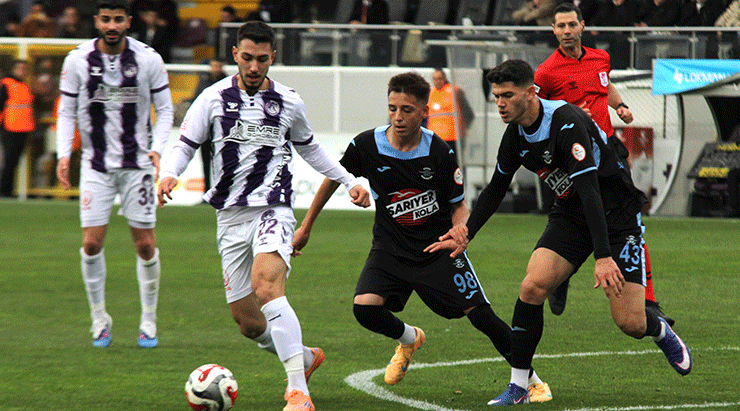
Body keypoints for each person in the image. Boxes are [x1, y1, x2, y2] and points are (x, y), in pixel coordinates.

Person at [429, 59, 693, 405]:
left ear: (530, 92)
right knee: (531, 287)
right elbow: (495, 189)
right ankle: (520, 386)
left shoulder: (565, 122)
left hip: (616, 215)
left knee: (630, 323)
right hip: (571, 214)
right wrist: (466, 232)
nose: (500, 103)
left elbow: (591, 192)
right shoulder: (515, 135)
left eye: (507, 95)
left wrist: (603, 258)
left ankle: (659, 330)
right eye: (496, 97)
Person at [292, 72, 552, 403]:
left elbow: (459, 206)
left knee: (482, 317)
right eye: (393, 108)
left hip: (436, 251)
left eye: (407, 110)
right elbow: (333, 176)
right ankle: (409, 338)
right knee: (364, 309)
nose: (398, 117)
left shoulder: (439, 152)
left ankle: (531, 380)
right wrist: (306, 227)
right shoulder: (367, 145)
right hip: (390, 250)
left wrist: (461, 232)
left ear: (424, 111)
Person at [157, 21, 370, 411]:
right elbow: (185, 143)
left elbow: (310, 147)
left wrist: (349, 180)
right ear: (235, 55)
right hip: (229, 216)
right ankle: (304, 357)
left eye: (261, 59)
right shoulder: (212, 98)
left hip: (273, 208)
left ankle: (298, 392)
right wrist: (170, 173)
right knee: (249, 323)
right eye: (247, 58)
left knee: (267, 287)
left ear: (272, 57)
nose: (254, 67)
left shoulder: (288, 101)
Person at [535, 2, 675, 326]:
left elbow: (604, 85)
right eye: (561, 26)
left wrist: (620, 105)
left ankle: (649, 301)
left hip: (608, 152)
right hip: (572, 157)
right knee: (574, 218)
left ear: (582, 26)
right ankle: (561, 275)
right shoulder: (546, 72)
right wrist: (567, 119)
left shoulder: (600, 58)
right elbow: (538, 113)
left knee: (632, 221)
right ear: (553, 30)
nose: (567, 31)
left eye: (572, 25)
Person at [55, 0, 174, 349]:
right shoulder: (77, 60)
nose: (111, 25)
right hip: (96, 166)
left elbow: (165, 110)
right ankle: (99, 319)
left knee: (146, 245)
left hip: (138, 166)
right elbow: (66, 111)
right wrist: (64, 154)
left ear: (128, 22)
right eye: (106, 19)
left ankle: (148, 320)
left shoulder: (148, 59)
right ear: (96, 21)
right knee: (91, 244)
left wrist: (158, 148)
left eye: (118, 20)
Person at [188, 58, 227, 193]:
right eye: (213, 66)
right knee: (205, 160)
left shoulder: (227, 82)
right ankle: (206, 191)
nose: (215, 69)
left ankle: (221, 191)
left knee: (222, 161)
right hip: (206, 129)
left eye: (217, 66)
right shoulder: (204, 81)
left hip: (222, 129)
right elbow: (197, 101)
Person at [0, 59, 35, 197]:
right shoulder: (6, 84)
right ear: (14, 69)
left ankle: (8, 190)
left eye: (25, 69)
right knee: (8, 161)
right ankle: (4, 190)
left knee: (14, 161)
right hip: (10, 127)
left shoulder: (24, 85)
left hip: (23, 127)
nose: (24, 71)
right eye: (21, 68)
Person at [427, 68, 474, 155]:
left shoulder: (455, 91)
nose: (437, 82)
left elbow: (469, 114)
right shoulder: (430, 93)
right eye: (435, 79)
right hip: (435, 139)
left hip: (453, 139)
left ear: (444, 79)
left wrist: (464, 129)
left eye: (439, 79)